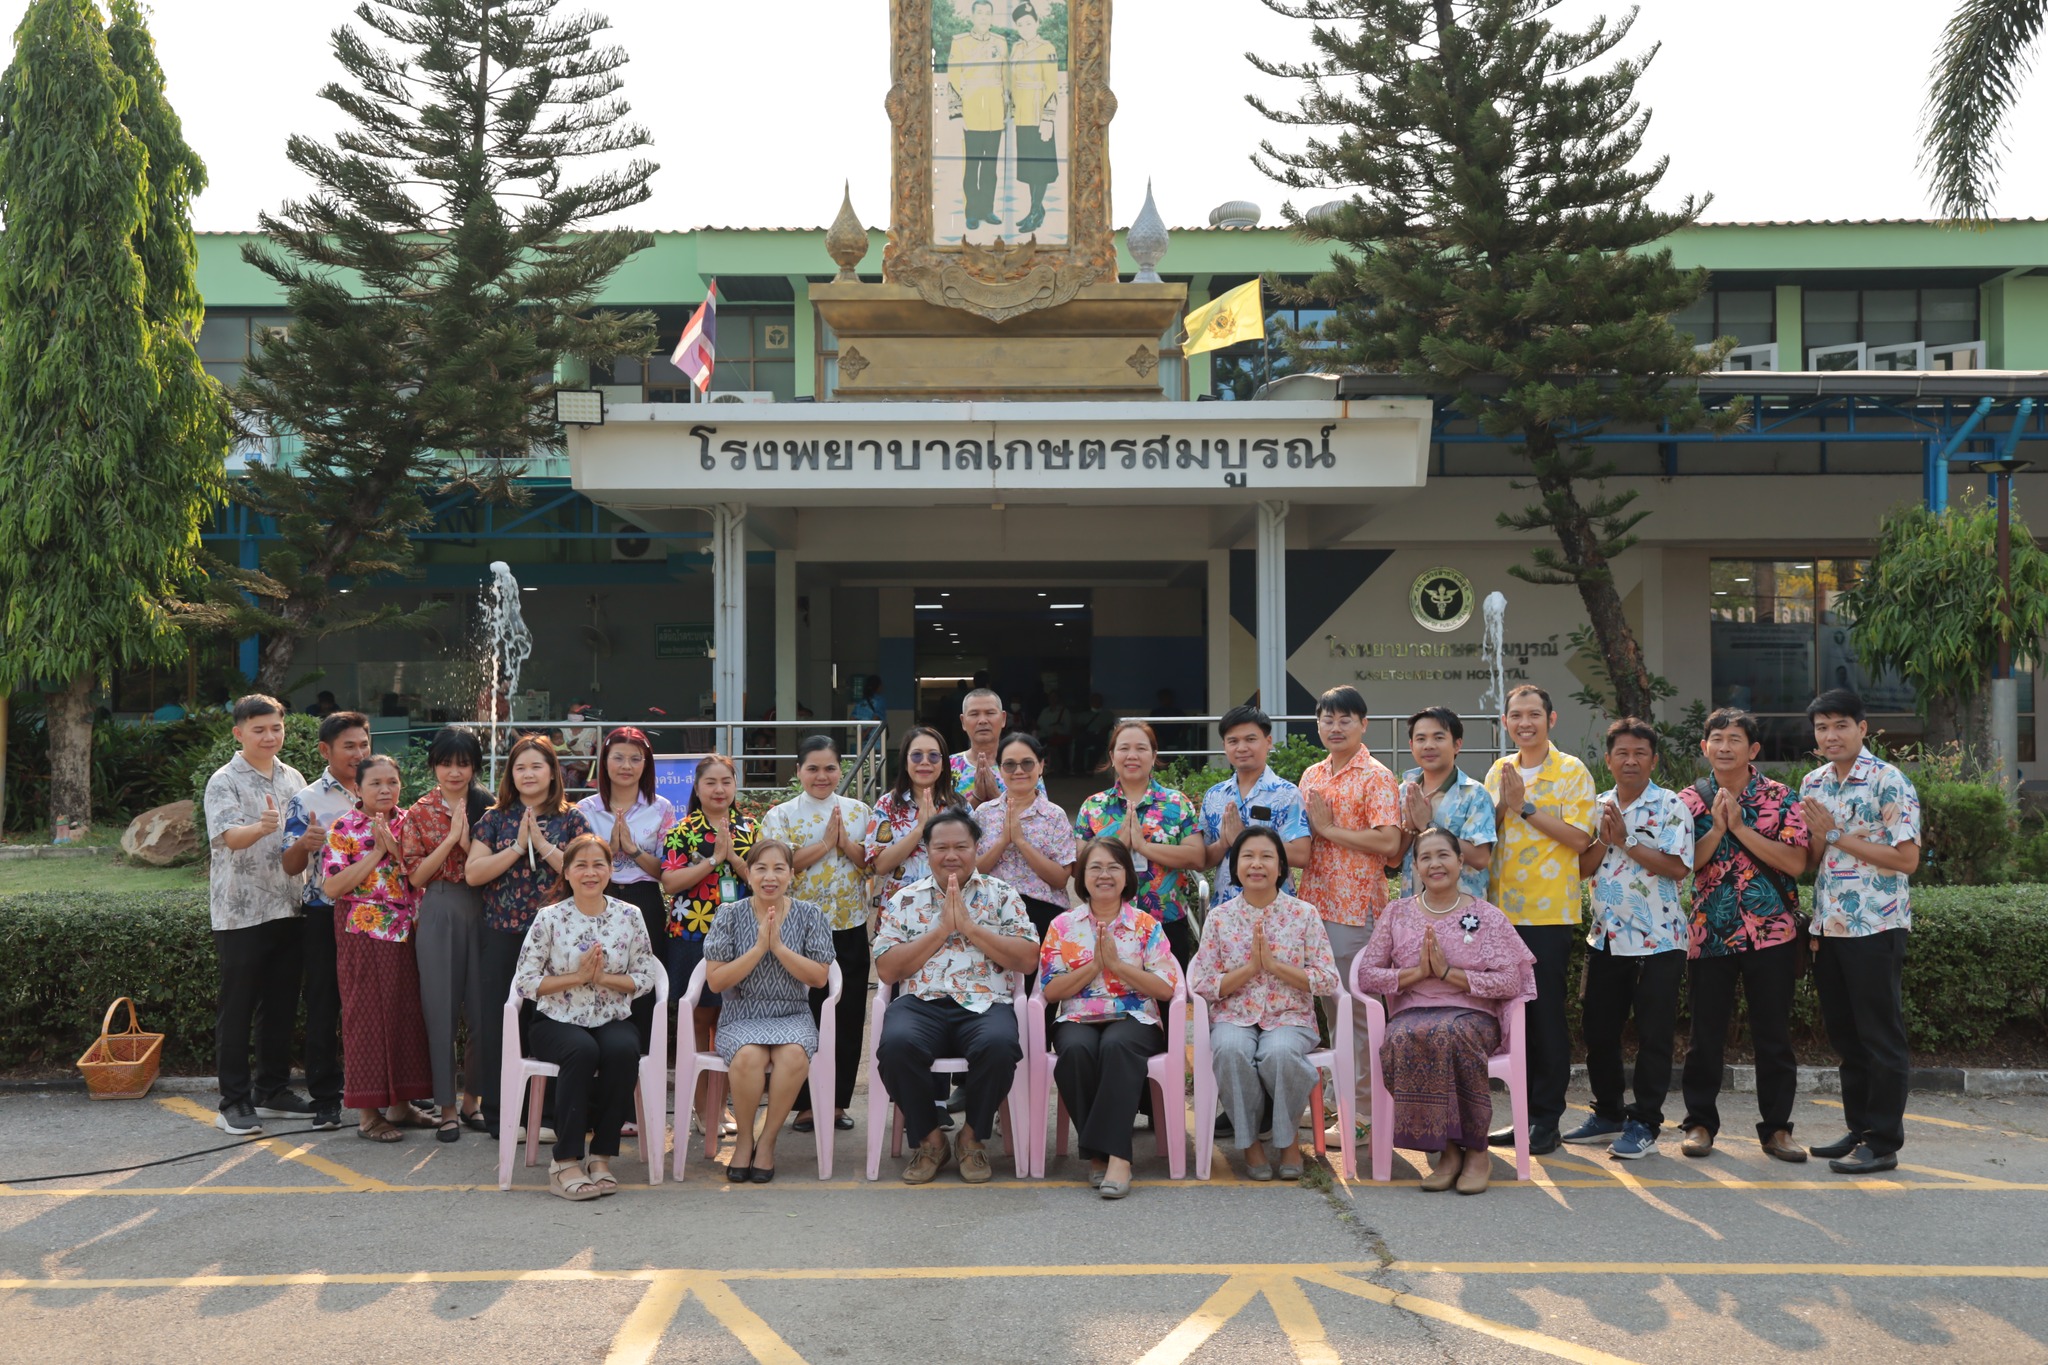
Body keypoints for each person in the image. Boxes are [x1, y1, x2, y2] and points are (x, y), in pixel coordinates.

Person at [1355, 827, 1537, 1195]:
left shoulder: (1488, 916)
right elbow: (1367, 974)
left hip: (1473, 1016)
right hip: (1413, 1012)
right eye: (1425, 857)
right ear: (1416, 868)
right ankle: (1448, 1150)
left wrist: (1450, 976)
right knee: (1404, 1036)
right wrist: (1417, 974)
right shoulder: (1397, 914)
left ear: (1460, 861)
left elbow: (1510, 981)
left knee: (1451, 1033)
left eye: (1443, 855)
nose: (1435, 864)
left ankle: (1477, 1152)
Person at [873, 809, 1038, 1184]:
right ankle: (930, 1139)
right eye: (941, 847)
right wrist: (942, 930)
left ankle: (972, 1138)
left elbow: (1028, 959)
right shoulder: (904, 899)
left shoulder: (1002, 895)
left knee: (999, 1045)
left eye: (961, 846)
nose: (951, 855)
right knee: (897, 1045)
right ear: (926, 851)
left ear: (976, 848)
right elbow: (886, 969)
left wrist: (969, 927)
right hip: (921, 1001)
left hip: (984, 1002)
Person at [1676, 708, 1810, 1162]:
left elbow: (1795, 864)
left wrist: (1739, 828)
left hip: (1772, 932)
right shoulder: (1688, 801)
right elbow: (1684, 866)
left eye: (1736, 739)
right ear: (1705, 747)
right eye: (1717, 738)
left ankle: (1777, 1130)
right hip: (1709, 931)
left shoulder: (1782, 797)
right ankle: (1699, 1124)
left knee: (1773, 1035)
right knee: (1704, 1035)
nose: (1725, 746)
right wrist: (1716, 829)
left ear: (1753, 750)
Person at [1800, 688, 1921, 1176]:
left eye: (1840, 725)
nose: (1831, 735)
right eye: (1822, 727)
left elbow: (1906, 860)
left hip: (1875, 924)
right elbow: (1814, 859)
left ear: (1862, 728)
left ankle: (1884, 1141)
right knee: (1846, 1036)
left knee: (1879, 1036)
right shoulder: (1814, 782)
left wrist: (1834, 834)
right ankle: (1859, 1128)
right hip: (1829, 928)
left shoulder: (1888, 782)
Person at [1564, 719, 1693, 1160]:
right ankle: (1609, 1113)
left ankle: (1645, 1123)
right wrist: (1605, 838)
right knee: (1598, 1030)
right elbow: (1581, 869)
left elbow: (1677, 868)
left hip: (1660, 942)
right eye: (1622, 753)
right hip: (1606, 940)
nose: (1631, 760)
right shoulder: (1595, 805)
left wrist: (1628, 839)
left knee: (1654, 1035)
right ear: (1609, 759)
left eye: (1640, 753)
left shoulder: (1671, 805)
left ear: (1654, 760)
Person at [512, 833, 661, 1201]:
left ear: (611, 870)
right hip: (556, 1021)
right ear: (566, 871)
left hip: (611, 1017)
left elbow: (645, 977)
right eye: (581, 865)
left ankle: (602, 1156)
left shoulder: (630, 916)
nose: (590, 872)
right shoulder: (549, 918)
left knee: (623, 1050)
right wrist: (576, 979)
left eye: (599, 864)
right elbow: (525, 981)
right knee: (581, 1050)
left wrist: (603, 978)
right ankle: (564, 1161)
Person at [1188, 825, 1341, 1182]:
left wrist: (1275, 968)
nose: (1257, 864)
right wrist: (1250, 970)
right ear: (1235, 866)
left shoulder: (1304, 914)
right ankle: (1250, 1143)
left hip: (1290, 1016)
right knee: (1229, 1050)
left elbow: (1328, 978)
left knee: (1280, 1054)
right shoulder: (1220, 917)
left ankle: (1287, 1142)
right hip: (1234, 1015)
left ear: (1281, 867)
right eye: (1248, 857)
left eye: (1266, 857)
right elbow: (1204, 982)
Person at [1482, 684, 1596, 1156]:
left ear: (1551, 719)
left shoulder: (1571, 770)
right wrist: (1501, 805)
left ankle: (1547, 1118)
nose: (1524, 722)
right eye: (1515, 715)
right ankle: (1524, 1116)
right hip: (1500, 911)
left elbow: (1579, 838)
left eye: (1533, 714)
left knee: (1545, 1014)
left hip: (1548, 912)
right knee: (1512, 1019)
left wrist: (1525, 805)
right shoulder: (1499, 769)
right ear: (1505, 722)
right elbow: (1485, 831)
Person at [1039, 838, 1181, 1198]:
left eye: (1114, 867)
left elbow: (1165, 989)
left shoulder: (1146, 926)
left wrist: (1117, 966)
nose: (1105, 875)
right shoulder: (1062, 926)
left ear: (1127, 876)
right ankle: (1097, 1154)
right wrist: (1096, 966)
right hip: (1078, 1017)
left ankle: (1117, 1157)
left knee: (1118, 1046)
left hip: (1135, 1017)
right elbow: (1051, 991)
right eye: (1095, 867)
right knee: (1075, 1051)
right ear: (1082, 877)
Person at [466, 735, 592, 1138]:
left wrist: (543, 844)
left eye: (537, 766)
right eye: (520, 767)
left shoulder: (572, 819)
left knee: (553, 1020)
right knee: (501, 1022)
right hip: (502, 931)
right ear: (510, 774)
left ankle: (553, 1115)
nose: (528, 774)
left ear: (552, 771)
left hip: (558, 938)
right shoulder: (494, 818)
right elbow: (474, 873)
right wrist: (519, 847)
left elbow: (583, 872)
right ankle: (503, 1116)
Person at [201, 695, 310, 1135]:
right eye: (259, 729)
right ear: (239, 733)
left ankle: (272, 1090)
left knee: (281, 1004)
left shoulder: (293, 777)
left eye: (275, 728)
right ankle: (233, 1101)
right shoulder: (222, 780)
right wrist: (260, 828)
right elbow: (229, 837)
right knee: (239, 1007)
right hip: (240, 909)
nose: (269, 737)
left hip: (289, 903)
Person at [1297, 686, 1403, 1130]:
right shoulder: (1312, 774)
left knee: (1356, 1013)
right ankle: (1341, 1100)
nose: (1335, 728)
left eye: (1345, 720)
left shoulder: (1377, 776)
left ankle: (1363, 1111)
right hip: (1312, 905)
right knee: (1328, 1010)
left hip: (1354, 908)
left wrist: (1328, 829)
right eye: (1327, 719)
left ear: (1364, 724)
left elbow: (1389, 843)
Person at [702, 840, 837, 1183]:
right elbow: (716, 982)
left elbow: (819, 978)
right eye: (761, 868)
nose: (769, 877)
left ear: (792, 874)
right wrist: (760, 947)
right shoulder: (728, 915)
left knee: (794, 1056)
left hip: (792, 1012)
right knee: (747, 1056)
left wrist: (777, 947)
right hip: (742, 1012)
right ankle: (745, 1138)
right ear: (747, 874)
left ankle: (768, 1141)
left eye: (779, 868)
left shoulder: (811, 915)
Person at [319, 754, 435, 1141]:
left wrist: (397, 852)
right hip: (362, 933)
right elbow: (332, 888)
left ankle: (401, 1105)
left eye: (392, 782)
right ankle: (368, 1114)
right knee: (365, 1017)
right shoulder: (344, 827)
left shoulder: (411, 822)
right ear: (358, 788)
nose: (385, 790)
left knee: (407, 1015)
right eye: (375, 783)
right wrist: (377, 853)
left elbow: (419, 874)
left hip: (409, 931)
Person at [761, 736, 872, 1133]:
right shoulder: (781, 815)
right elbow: (778, 864)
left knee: (847, 1015)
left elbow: (872, 864)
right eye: (812, 768)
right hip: (798, 931)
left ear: (840, 770)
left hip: (850, 927)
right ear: (798, 772)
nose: (821, 776)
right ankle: (804, 1104)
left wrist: (846, 842)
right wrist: (826, 844)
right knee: (802, 1016)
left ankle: (838, 1103)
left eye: (829, 768)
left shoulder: (860, 812)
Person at [279, 710, 375, 1131]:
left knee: (376, 1004)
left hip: (376, 915)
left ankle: (380, 1093)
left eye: (364, 744)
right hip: (323, 914)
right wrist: (305, 842)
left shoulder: (382, 788)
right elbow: (289, 864)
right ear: (325, 750)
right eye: (349, 746)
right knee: (324, 1005)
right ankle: (325, 1098)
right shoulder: (307, 800)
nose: (359, 753)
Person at [401, 725, 493, 1139]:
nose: (454, 772)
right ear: (433, 765)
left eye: (463, 763)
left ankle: (474, 1099)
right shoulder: (419, 811)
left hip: (484, 908)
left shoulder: (489, 805)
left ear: (474, 766)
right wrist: (452, 840)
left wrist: (468, 836)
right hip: (438, 905)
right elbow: (417, 876)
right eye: (446, 763)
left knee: (482, 1010)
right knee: (439, 1010)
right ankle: (446, 1106)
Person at [661, 753, 756, 1133]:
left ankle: (723, 1106)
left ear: (735, 787)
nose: (719, 789)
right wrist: (714, 860)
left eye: (726, 782)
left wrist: (731, 854)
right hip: (691, 934)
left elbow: (764, 877)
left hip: (741, 935)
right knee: (699, 1019)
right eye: (711, 783)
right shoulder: (682, 830)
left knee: (732, 1020)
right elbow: (669, 883)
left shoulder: (750, 827)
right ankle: (703, 1109)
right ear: (697, 788)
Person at [575, 727, 677, 1055]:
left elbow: (666, 872)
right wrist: (606, 850)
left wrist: (632, 850)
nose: (626, 765)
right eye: (618, 757)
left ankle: (642, 1065)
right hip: (596, 901)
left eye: (636, 759)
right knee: (594, 979)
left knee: (641, 984)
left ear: (646, 765)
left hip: (644, 901)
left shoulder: (660, 808)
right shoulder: (585, 809)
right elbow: (576, 863)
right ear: (604, 762)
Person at [1072, 719, 1205, 964]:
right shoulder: (1094, 806)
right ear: (1112, 756)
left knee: (1167, 997)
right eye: (1124, 748)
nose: (1132, 755)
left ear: (1154, 756)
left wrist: (1144, 847)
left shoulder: (1176, 803)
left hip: (1166, 919)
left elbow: (1197, 857)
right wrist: (1119, 844)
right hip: (1105, 922)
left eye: (1141, 749)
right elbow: (1078, 865)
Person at [1198, 704, 1312, 905]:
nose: (1241, 748)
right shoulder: (1214, 796)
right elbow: (1203, 860)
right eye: (1233, 741)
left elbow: (1301, 855)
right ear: (1224, 745)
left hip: (1277, 910)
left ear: (1268, 742)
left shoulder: (1286, 794)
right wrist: (1224, 843)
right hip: (1226, 910)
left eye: (1250, 739)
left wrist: (1243, 838)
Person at [975, 731, 1078, 939]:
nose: (1019, 771)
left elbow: (1060, 879)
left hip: (1044, 912)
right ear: (1000, 769)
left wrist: (1021, 842)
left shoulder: (1055, 816)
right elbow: (972, 872)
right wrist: (1003, 841)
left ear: (1041, 766)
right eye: (1010, 765)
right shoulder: (984, 813)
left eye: (1027, 763)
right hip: (991, 913)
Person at [1392, 707, 1495, 901]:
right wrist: (1410, 829)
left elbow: (1481, 858)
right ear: (1411, 745)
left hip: (1463, 909)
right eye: (1421, 739)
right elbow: (1393, 859)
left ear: (1457, 745)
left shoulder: (1474, 793)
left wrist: (1428, 825)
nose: (1429, 745)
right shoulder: (1404, 791)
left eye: (1438, 738)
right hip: (1413, 907)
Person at [867, 726, 968, 911]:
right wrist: (920, 829)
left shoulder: (960, 807)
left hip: (949, 907)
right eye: (916, 755)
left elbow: (971, 860)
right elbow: (880, 866)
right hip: (899, 910)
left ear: (944, 763)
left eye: (933, 756)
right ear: (906, 763)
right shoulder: (887, 805)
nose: (924, 762)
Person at [945, 0, 1009, 230]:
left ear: (992, 17)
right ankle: (971, 211)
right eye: (979, 13)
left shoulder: (1000, 43)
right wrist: (957, 113)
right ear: (973, 16)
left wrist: (1006, 111)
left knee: (990, 167)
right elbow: (952, 79)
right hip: (971, 114)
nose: (983, 17)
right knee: (972, 166)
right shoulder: (960, 43)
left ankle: (987, 210)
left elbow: (1005, 78)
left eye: (987, 13)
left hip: (994, 116)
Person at [1005, 2, 1060, 234]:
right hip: (1022, 116)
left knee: (1041, 169)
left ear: (1036, 23)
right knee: (1029, 169)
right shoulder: (1016, 49)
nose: (1025, 27)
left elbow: (1052, 85)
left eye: (1029, 23)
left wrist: (1048, 118)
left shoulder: (1046, 48)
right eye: (1020, 24)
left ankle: (1036, 211)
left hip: (1039, 115)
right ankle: (1034, 209)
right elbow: (1010, 79)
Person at [952, 686, 1032, 805]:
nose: (983, 720)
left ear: (1003, 718)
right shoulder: (948, 767)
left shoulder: (1025, 765)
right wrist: (977, 798)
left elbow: (1040, 819)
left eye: (990, 713)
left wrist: (996, 795)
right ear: (963, 722)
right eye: (974, 714)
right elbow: (939, 819)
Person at [1035, 688, 1073, 775]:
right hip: (1044, 737)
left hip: (1059, 737)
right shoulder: (1045, 711)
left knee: (1063, 747)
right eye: (1051, 697)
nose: (1052, 699)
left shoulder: (1064, 711)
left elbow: (1067, 728)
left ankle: (1064, 769)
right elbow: (1039, 725)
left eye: (1055, 697)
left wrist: (1057, 730)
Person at [1071, 692, 1110, 774]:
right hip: (1086, 736)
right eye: (1094, 700)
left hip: (1099, 737)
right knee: (1079, 744)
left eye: (1098, 700)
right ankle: (1078, 769)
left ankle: (1091, 768)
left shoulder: (1107, 715)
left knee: (1099, 747)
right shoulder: (1084, 715)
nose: (1096, 702)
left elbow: (1108, 728)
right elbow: (1078, 726)